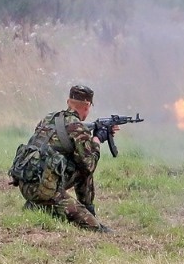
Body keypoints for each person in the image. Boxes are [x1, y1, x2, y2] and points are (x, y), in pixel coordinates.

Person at [13, 84, 115, 233]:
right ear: (87, 105)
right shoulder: (78, 128)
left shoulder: (48, 118)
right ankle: (39, 204)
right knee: (93, 227)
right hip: (44, 189)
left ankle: (83, 208)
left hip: (27, 182)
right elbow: (90, 165)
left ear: (68, 102)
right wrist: (97, 140)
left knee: (80, 167)